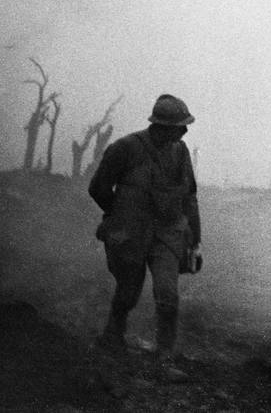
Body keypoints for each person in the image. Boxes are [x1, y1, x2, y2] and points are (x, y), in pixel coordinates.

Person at [89, 94, 200, 371]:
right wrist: (119, 215)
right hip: (131, 234)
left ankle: (164, 356)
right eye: (179, 126)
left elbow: (190, 196)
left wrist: (195, 239)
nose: (184, 131)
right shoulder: (124, 148)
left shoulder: (180, 151)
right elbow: (99, 188)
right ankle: (112, 338)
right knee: (128, 291)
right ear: (161, 126)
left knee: (167, 293)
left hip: (167, 233)